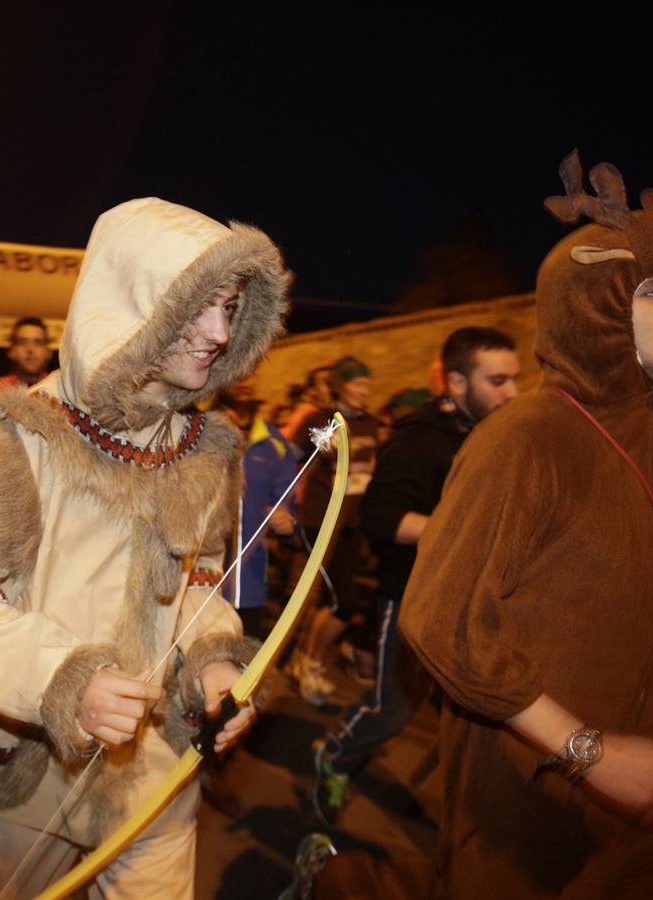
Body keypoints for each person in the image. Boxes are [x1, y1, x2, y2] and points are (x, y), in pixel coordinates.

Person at [397, 152, 653, 898]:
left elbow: (631, 587)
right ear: (601, 307)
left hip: (639, 783)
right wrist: (587, 750)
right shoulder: (525, 437)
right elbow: (439, 619)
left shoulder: (647, 434)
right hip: (530, 791)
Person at [0, 197, 289, 897]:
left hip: (160, 775)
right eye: (197, 307)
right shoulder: (14, 439)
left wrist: (212, 664)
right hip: (34, 772)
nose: (216, 332)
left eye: (232, 307)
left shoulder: (207, 450)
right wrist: (62, 679)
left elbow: (202, 580)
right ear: (132, 306)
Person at [312, 326, 519, 824]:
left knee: (471, 709)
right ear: (456, 383)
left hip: (476, 600)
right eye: (498, 381)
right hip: (413, 596)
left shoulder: (498, 432)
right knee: (393, 708)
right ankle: (333, 756)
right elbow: (381, 517)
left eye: (515, 379)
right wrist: (461, 531)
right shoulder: (417, 440)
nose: (513, 392)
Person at [286, 355, 381, 706]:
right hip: (320, 520)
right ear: (340, 386)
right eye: (357, 384)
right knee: (342, 600)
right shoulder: (321, 421)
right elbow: (293, 455)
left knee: (330, 600)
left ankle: (305, 658)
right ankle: (310, 661)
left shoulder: (371, 423)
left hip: (352, 524)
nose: (364, 391)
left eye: (368, 385)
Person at [216, 374, 298, 641]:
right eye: (236, 371)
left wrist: (287, 523)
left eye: (252, 372)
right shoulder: (198, 429)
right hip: (199, 584)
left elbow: (286, 505)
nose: (244, 380)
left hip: (250, 583)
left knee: (243, 668)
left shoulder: (273, 442)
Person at [0, 316, 55, 406]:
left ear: (49, 353)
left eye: (38, 342)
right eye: (22, 342)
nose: (30, 349)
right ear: (11, 352)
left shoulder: (62, 394)